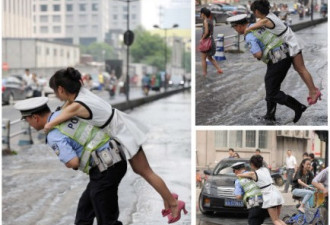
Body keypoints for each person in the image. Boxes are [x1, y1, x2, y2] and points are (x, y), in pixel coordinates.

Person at [43, 67, 187, 223]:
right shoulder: (82, 93)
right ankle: (168, 198)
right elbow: (65, 106)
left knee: (145, 171)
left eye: (56, 92)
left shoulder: (77, 105)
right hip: (122, 128)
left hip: (123, 132)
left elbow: (52, 122)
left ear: (61, 89)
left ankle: (173, 203)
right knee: (143, 171)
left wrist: (47, 128)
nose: (57, 97)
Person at [14, 97, 127, 225]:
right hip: (114, 159)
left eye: (27, 120)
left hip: (106, 168)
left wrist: (67, 160)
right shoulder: (63, 113)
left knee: (107, 220)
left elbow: (73, 162)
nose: (29, 124)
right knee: (84, 213)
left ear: (35, 117)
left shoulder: (53, 134)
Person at [227, 14, 307, 124]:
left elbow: (258, 54)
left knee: (272, 91)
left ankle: (298, 107)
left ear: (239, 26)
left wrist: (256, 55)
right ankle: (270, 115)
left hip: (277, 59)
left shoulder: (249, 35)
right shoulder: (256, 26)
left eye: (234, 27)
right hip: (284, 54)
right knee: (271, 87)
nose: (235, 30)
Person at [245, 0, 321, 106]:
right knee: (299, 69)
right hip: (291, 41)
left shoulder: (266, 20)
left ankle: (313, 91)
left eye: (254, 11)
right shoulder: (269, 16)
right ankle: (313, 90)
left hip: (292, 43)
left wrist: (246, 31)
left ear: (257, 11)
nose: (254, 14)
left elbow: (253, 27)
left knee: (301, 69)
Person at [237, 155, 285, 225]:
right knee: (278, 219)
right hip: (276, 193)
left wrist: (240, 174)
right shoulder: (265, 169)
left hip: (270, 196)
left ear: (252, 164)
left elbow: (240, 175)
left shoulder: (254, 174)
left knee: (275, 221)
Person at [199, 7, 223, 78]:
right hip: (211, 41)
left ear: (203, 14)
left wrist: (202, 39)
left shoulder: (205, 21)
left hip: (206, 42)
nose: (200, 15)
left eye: (201, 13)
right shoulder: (210, 20)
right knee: (209, 57)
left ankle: (204, 73)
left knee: (203, 58)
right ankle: (219, 69)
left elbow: (206, 32)